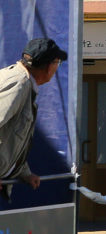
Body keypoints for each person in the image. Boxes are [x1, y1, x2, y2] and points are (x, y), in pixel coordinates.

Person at [0, 38, 65, 189]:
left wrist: (24, 172)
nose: (56, 69)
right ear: (49, 66)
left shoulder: (23, 82)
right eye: (57, 63)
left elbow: (11, 136)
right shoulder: (19, 85)